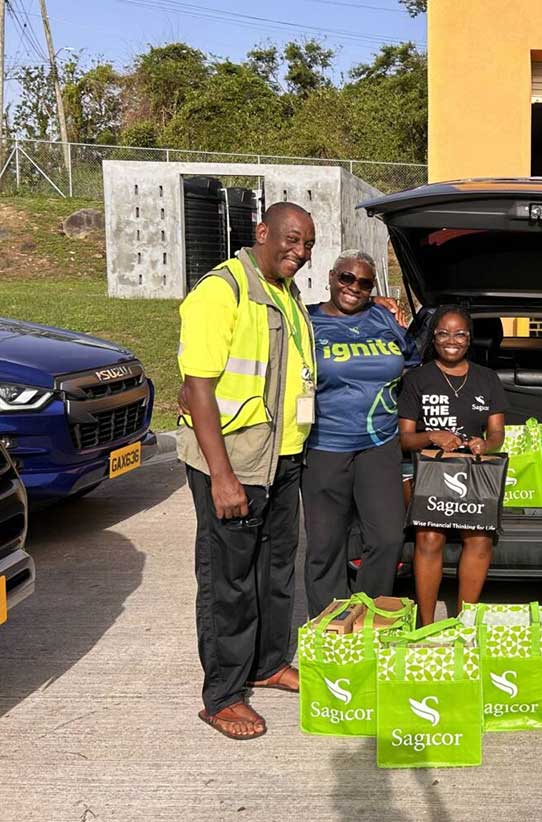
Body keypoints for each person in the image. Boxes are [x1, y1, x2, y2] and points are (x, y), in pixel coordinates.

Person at [177, 202, 317, 740]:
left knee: (274, 571)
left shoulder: (285, 292)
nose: (298, 252)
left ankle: (268, 662)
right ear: (262, 232)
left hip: (281, 461)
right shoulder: (223, 291)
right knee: (227, 581)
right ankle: (223, 695)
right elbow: (199, 390)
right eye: (290, 239)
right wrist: (222, 475)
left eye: (306, 244)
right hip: (233, 463)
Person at [301, 250, 419, 618]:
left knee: (387, 537)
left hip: (379, 444)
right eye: (346, 278)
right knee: (325, 546)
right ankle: (330, 626)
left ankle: (368, 615)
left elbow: (412, 361)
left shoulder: (385, 319)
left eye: (364, 282)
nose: (353, 287)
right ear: (331, 277)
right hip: (325, 445)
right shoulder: (306, 320)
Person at [397, 306, 507, 625]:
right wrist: (432, 435)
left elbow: (497, 431)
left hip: (470, 470)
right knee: (430, 535)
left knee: (480, 536)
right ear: (434, 338)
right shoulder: (417, 379)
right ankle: (427, 624)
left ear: (469, 338)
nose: (451, 340)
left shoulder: (487, 379)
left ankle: (464, 622)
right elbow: (404, 440)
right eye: (444, 333)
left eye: (459, 334)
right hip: (424, 468)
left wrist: (485, 444)